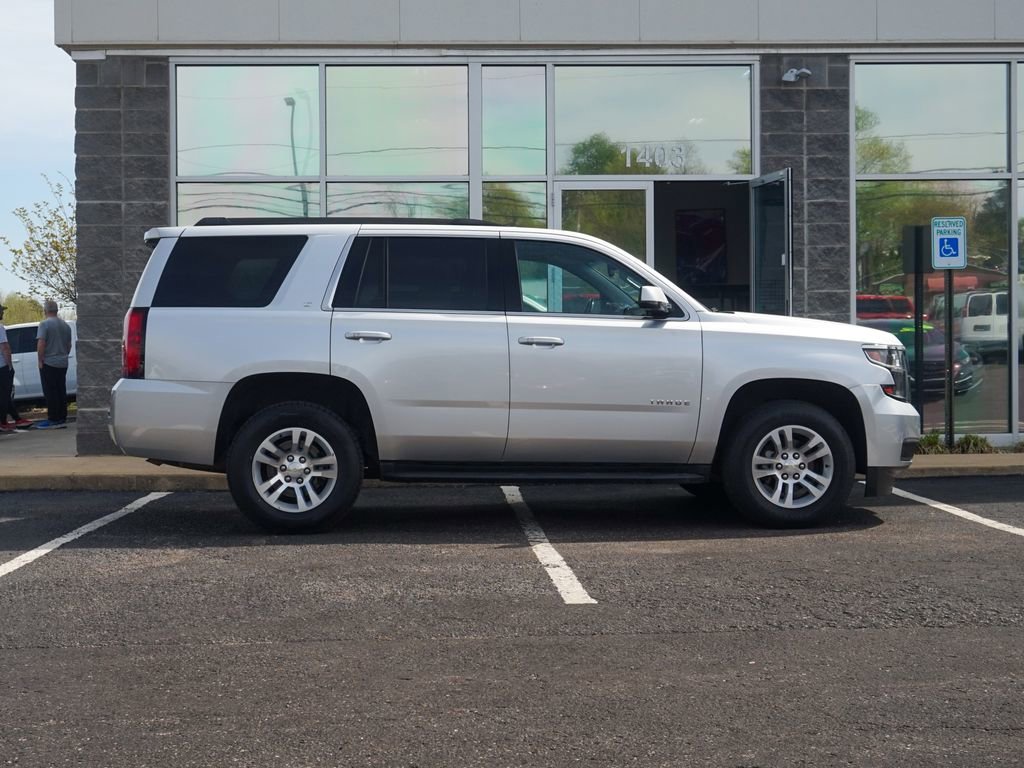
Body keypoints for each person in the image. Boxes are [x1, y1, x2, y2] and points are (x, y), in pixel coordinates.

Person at [34, 299, 73, 430]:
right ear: (57, 310)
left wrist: (40, 360)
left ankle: (53, 418)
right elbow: (69, 345)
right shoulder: (65, 326)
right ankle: (62, 416)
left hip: (49, 362)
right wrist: (63, 355)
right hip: (63, 362)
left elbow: (41, 343)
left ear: (45, 310)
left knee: (50, 391)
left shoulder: (44, 324)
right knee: (61, 389)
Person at [0, 304, 14, 435]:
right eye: (1, 311)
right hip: (1, 367)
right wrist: (9, 365)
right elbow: (4, 347)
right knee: (4, 395)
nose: (2, 313)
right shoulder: (0, 328)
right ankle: (2, 422)